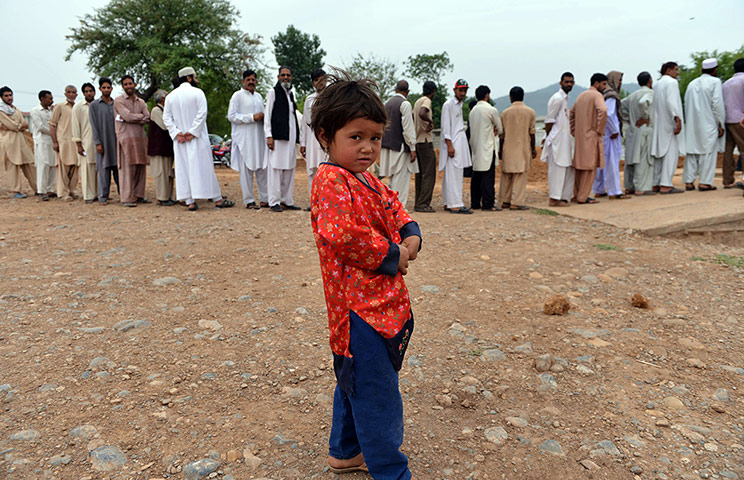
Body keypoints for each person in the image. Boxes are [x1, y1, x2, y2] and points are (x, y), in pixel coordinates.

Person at [310, 72, 420, 480]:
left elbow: (395, 208)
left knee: (355, 380)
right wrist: (394, 254)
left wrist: (411, 235)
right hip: (357, 310)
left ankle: (345, 451)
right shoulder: (329, 180)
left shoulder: (368, 179)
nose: (368, 147)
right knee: (376, 392)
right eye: (355, 137)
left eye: (374, 138)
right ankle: (390, 471)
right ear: (326, 136)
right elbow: (344, 236)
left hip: (381, 304)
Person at [163, 66, 234, 211]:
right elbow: (202, 114)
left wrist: (177, 133)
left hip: (181, 140)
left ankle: (190, 201)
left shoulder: (170, 96)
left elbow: (166, 118)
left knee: (183, 169)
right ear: (188, 78)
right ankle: (217, 200)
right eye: (195, 77)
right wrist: (193, 132)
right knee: (205, 167)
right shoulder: (198, 93)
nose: (197, 80)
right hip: (197, 139)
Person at [683, 58, 725, 191]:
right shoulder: (715, 82)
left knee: (692, 152)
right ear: (715, 70)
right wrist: (720, 123)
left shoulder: (692, 83)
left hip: (692, 123)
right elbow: (717, 104)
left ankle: (689, 182)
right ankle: (704, 182)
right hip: (708, 122)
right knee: (708, 152)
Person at [228, 69, 267, 209]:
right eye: (248, 80)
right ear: (243, 81)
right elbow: (231, 116)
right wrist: (251, 117)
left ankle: (265, 198)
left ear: (256, 82)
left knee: (262, 168)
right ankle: (249, 200)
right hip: (244, 139)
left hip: (258, 137)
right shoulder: (237, 96)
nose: (251, 82)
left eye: (253, 80)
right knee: (246, 170)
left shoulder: (259, 97)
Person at [264, 66, 301, 212]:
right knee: (276, 169)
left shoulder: (290, 94)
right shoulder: (273, 92)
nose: (286, 77)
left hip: (290, 138)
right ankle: (274, 201)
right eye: (283, 75)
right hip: (278, 137)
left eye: (288, 75)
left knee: (289, 169)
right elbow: (268, 115)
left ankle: (287, 200)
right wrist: (269, 135)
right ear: (278, 77)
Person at [570, 73, 608, 204]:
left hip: (581, 137)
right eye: (604, 84)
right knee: (589, 167)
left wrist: (574, 131)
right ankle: (583, 197)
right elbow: (603, 110)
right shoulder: (597, 95)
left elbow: (571, 113)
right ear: (596, 84)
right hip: (592, 136)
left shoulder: (581, 95)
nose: (605, 87)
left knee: (579, 167)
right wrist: (599, 129)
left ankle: (577, 195)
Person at [380, 80, 418, 205]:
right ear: (407, 92)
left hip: (387, 146)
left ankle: (391, 207)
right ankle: (399, 209)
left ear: (396, 90)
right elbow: (408, 128)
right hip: (400, 147)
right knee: (401, 179)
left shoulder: (387, 104)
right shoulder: (405, 104)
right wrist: (412, 147)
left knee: (392, 179)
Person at [113, 75, 150, 207]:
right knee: (126, 167)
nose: (129, 86)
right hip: (125, 138)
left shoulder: (141, 102)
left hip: (140, 137)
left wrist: (136, 118)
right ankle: (126, 197)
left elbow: (148, 117)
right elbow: (127, 116)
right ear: (123, 86)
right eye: (126, 84)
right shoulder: (118, 101)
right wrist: (140, 117)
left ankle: (139, 195)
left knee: (140, 166)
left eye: (130, 83)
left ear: (135, 84)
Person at [593, 71, 629, 200]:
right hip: (610, 134)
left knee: (602, 162)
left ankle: (599, 189)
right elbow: (607, 114)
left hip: (604, 133)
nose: (620, 83)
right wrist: (614, 130)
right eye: (619, 80)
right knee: (612, 162)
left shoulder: (602, 94)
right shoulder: (611, 95)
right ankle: (615, 191)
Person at [498, 86, 535, 210]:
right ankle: (516, 202)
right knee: (520, 175)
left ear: (511, 97)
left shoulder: (505, 113)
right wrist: (533, 149)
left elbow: (501, 135)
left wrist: (500, 149)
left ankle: (505, 200)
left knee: (506, 176)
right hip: (523, 148)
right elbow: (532, 133)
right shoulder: (530, 112)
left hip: (508, 148)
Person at [541, 72, 575, 206]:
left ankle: (562, 197)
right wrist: (548, 137)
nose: (569, 84)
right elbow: (549, 120)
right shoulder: (558, 98)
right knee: (557, 170)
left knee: (567, 169)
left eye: (571, 82)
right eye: (566, 82)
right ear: (561, 83)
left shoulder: (565, 99)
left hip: (564, 141)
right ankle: (554, 199)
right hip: (556, 140)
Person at [651, 62, 685, 194]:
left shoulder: (657, 84)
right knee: (671, 154)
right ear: (668, 70)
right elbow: (672, 102)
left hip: (659, 124)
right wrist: (677, 119)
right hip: (669, 124)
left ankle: (655, 183)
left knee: (659, 155)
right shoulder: (671, 83)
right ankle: (666, 184)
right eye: (676, 70)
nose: (678, 72)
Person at [439, 79, 472, 213]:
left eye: (465, 90)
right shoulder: (449, 105)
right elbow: (446, 126)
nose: (463, 93)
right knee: (454, 174)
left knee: (453, 173)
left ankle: (448, 202)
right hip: (453, 143)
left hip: (458, 141)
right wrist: (450, 145)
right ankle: (456, 204)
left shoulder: (459, 105)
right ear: (455, 90)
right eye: (461, 90)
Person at [469, 85, 502, 210]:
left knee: (476, 176)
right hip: (488, 146)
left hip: (476, 146)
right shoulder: (491, 110)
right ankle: (488, 204)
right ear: (487, 95)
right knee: (488, 177)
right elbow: (500, 128)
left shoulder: (473, 111)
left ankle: (475, 203)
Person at [621, 71, 655, 195]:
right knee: (643, 159)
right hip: (645, 130)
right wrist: (645, 116)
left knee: (630, 159)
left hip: (633, 130)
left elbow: (621, 105)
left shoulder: (633, 95)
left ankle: (629, 186)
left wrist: (628, 119)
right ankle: (641, 188)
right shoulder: (650, 93)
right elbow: (642, 103)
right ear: (650, 81)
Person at [0, 86, 37, 197]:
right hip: (9, 141)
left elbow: (24, 124)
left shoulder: (14, 109)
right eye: (6, 96)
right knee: (13, 166)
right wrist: (17, 126)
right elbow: (12, 125)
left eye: (10, 95)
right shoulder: (1, 110)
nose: (9, 97)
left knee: (30, 163)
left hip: (21, 140)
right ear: (2, 97)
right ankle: (16, 191)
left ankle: (38, 188)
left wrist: (16, 126)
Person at [89, 77, 119, 204]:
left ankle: (123, 194)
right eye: (104, 88)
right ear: (100, 89)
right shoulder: (94, 105)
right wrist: (98, 142)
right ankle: (103, 196)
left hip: (116, 142)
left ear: (112, 89)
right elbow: (94, 125)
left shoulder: (116, 103)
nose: (106, 90)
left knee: (118, 170)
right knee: (103, 170)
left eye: (108, 87)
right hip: (103, 142)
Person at [300, 68, 327, 210]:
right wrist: (303, 143)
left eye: (322, 79)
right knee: (313, 171)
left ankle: (326, 203)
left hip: (327, 138)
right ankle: (314, 203)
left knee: (327, 170)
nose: (320, 83)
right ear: (313, 83)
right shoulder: (309, 99)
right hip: (311, 138)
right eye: (317, 80)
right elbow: (305, 122)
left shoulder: (332, 97)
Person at [49, 85, 79, 201]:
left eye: (73, 92)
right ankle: (62, 193)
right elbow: (52, 124)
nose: (71, 94)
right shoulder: (59, 107)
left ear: (76, 94)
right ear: (65, 94)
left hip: (76, 141)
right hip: (64, 141)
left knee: (75, 167)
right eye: (69, 92)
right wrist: (55, 142)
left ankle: (72, 190)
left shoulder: (78, 107)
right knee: (63, 168)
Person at [148, 89, 176, 206]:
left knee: (168, 173)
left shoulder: (166, 111)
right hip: (158, 148)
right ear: (163, 99)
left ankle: (169, 196)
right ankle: (162, 198)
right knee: (161, 173)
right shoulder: (156, 110)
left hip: (167, 148)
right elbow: (165, 126)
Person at [413, 81, 437, 212]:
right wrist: (430, 121)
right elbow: (423, 113)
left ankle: (418, 202)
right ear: (433, 91)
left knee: (420, 173)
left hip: (417, 141)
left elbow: (414, 116)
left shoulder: (417, 101)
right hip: (426, 140)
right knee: (429, 173)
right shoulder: (426, 101)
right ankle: (423, 203)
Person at [72, 82, 98, 203]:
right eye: (86, 91)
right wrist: (78, 144)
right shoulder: (78, 107)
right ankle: (88, 195)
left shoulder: (99, 105)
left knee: (98, 169)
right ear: (83, 93)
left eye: (90, 91)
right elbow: (75, 126)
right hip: (85, 142)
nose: (89, 93)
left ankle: (99, 193)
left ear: (95, 92)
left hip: (98, 142)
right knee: (87, 169)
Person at [29, 90, 56, 200]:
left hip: (52, 141)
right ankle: (41, 191)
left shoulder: (51, 111)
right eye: (49, 98)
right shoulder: (35, 111)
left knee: (52, 165)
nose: (51, 100)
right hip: (41, 141)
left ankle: (50, 189)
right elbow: (40, 126)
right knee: (43, 165)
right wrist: (54, 133)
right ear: (42, 99)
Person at [722, 58, 744, 191]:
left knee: (728, 151)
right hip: (740, 119)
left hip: (727, 119)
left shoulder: (726, 83)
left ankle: (728, 180)